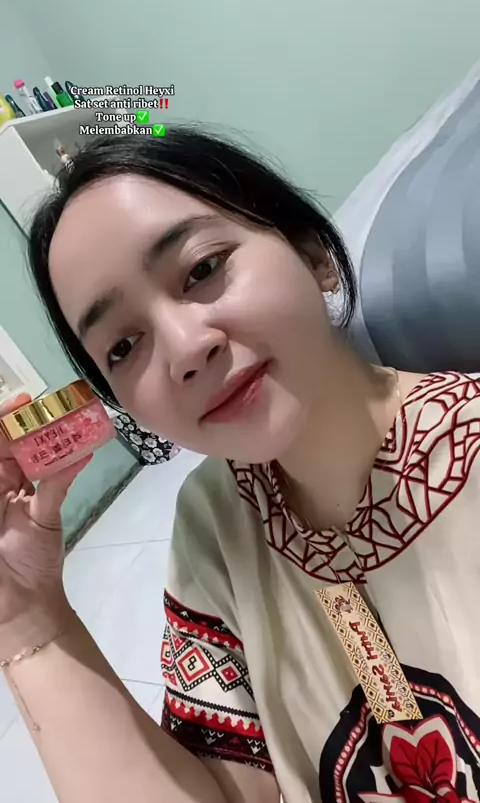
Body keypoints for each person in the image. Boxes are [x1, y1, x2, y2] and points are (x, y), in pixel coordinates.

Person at [0, 129, 479, 803]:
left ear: (312, 253)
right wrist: (27, 621)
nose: (185, 349)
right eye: (124, 346)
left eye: (202, 269)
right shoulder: (215, 524)